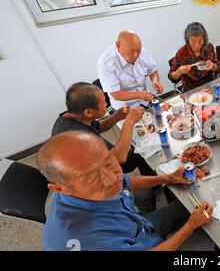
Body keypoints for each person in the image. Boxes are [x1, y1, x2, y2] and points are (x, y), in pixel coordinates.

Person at [38, 131, 213, 251]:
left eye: (108, 162)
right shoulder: (88, 239)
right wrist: (191, 226)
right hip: (136, 241)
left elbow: (126, 182)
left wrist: (168, 178)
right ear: (59, 188)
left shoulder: (89, 186)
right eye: (91, 178)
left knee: (192, 204)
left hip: (140, 227)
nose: (112, 179)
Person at [52, 82, 157, 213]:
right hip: (93, 188)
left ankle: (154, 182)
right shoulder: (77, 139)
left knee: (145, 150)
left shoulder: (72, 116)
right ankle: (144, 222)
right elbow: (119, 159)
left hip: (101, 160)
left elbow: (98, 126)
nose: (107, 104)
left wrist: (117, 116)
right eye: (103, 103)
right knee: (145, 194)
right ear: (88, 112)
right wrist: (129, 122)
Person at [97, 30, 164, 110]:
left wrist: (155, 80)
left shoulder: (143, 52)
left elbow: (152, 70)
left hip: (145, 99)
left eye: (138, 50)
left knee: (166, 113)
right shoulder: (106, 63)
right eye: (131, 51)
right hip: (124, 107)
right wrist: (139, 95)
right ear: (118, 45)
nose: (136, 55)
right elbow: (115, 94)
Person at [168, 22, 220, 92]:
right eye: (193, 41)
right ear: (188, 40)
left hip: (209, 86)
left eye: (200, 40)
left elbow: (218, 69)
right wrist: (179, 71)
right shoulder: (182, 53)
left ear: (204, 38)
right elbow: (171, 77)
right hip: (191, 90)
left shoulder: (209, 47)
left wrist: (213, 66)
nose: (197, 45)